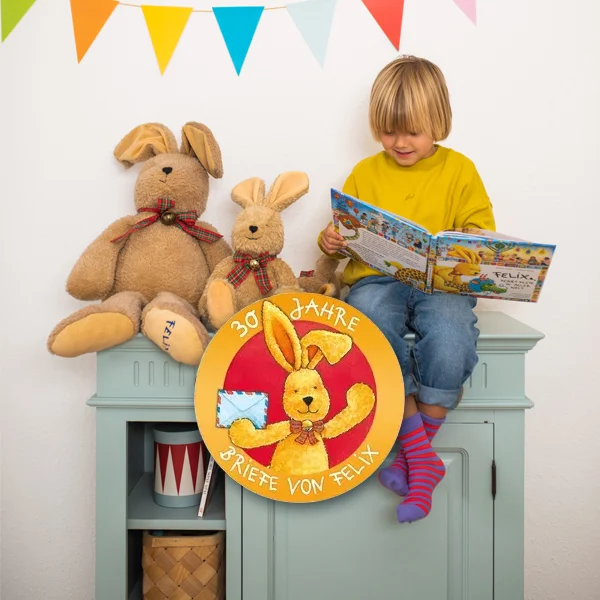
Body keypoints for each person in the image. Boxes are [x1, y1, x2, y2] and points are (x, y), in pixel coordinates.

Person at [317, 55, 496, 524]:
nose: (399, 142)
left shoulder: (460, 171)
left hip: (441, 287)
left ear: (439, 122)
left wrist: (471, 244)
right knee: (368, 318)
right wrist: (330, 239)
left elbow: (480, 232)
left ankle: (414, 457)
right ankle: (425, 462)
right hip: (378, 279)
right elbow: (342, 236)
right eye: (389, 131)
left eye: (412, 132)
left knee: (453, 334)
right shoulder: (364, 173)